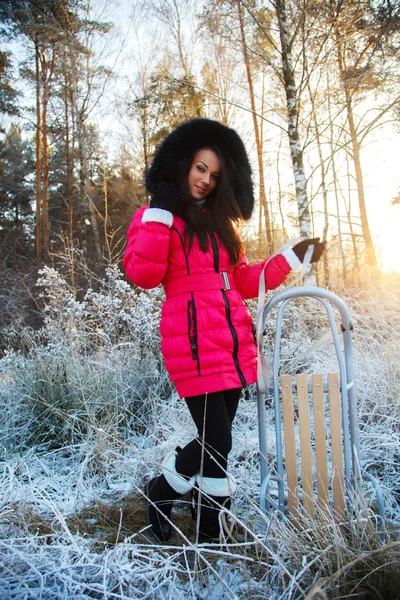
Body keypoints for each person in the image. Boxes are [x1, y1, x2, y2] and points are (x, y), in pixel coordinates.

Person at [122, 118, 325, 543]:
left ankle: (208, 523)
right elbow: (143, 272)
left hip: (234, 343)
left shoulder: (221, 224)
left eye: (214, 175)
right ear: (182, 164)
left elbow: (247, 280)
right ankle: (165, 494)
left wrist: (291, 254)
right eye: (200, 168)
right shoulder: (156, 217)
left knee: (219, 440)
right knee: (216, 438)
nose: (205, 180)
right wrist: (161, 208)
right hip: (192, 343)